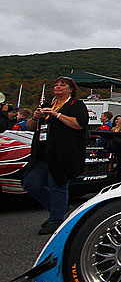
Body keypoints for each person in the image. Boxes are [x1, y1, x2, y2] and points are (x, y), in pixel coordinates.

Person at [22, 76, 88, 235]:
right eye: (56, 85)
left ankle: (56, 219)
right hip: (43, 152)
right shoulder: (47, 105)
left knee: (57, 183)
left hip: (63, 152)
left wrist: (56, 115)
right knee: (30, 182)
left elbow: (79, 124)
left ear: (70, 89)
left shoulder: (75, 105)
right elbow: (31, 127)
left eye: (62, 85)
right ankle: (60, 209)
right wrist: (34, 117)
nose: (57, 87)